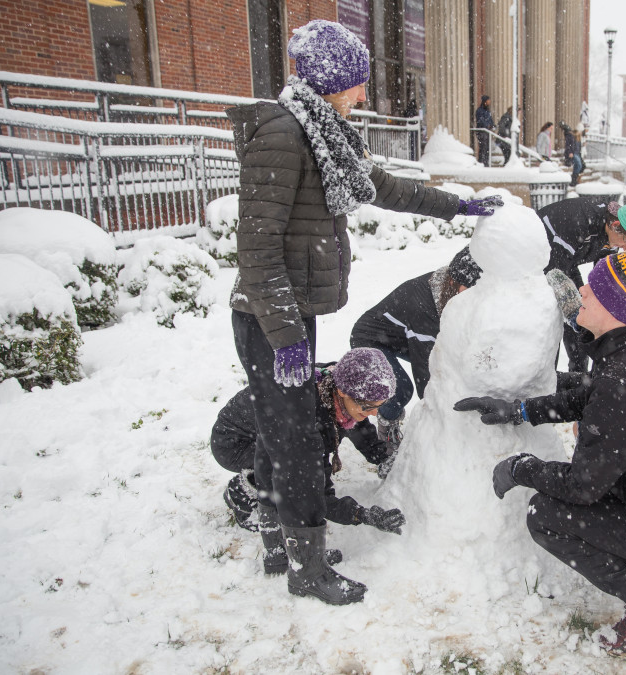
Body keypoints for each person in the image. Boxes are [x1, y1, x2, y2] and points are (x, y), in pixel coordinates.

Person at [224, 19, 502, 605]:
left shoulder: (324, 135)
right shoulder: (282, 134)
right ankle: (307, 568)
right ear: (329, 83)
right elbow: (257, 250)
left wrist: (459, 206)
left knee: (282, 433)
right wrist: (286, 338)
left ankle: (281, 544)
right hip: (270, 320)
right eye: (355, 85)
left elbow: (387, 188)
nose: (363, 97)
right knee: (297, 442)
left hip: (292, 314)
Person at [454, 237, 626, 660]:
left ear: (615, 309)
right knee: (599, 479)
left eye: (593, 290)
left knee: (545, 516)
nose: (581, 291)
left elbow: (583, 487)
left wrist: (521, 468)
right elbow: (589, 397)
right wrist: (519, 409)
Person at [213, 349, 407, 595]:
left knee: (296, 463)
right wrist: (363, 515)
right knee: (288, 476)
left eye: (380, 406)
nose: (374, 413)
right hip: (234, 442)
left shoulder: (334, 384)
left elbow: (359, 426)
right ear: (344, 392)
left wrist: (383, 458)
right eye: (369, 406)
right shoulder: (311, 419)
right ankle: (242, 492)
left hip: (267, 430)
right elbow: (318, 495)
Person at [349, 246, 483, 462]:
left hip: (401, 339)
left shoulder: (452, 292)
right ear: (453, 282)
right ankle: (387, 429)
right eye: (470, 289)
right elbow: (426, 375)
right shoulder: (425, 306)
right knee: (400, 389)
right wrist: (441, 422)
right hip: (370, 339)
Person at [536, 198, 626, 371]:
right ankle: (546, 379)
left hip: (567, 262)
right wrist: (574, 309)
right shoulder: (577, 222)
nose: (625, 249)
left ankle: (579, 376)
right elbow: (555, 273)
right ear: (615, 225)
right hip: (540, 262)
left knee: (583, 320)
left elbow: (605, 275)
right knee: (557, 317)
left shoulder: (614, 234)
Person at [561, 121, 585, 187]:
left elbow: (578, 147)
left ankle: (574, 180)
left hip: (577, 153)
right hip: (573, 153)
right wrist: (570, 152)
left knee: (579, 166)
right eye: (580, 131)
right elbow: (568, 145)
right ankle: (573, 179)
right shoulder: (571, 135)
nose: (581, 132)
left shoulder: (578, 138)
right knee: (579, 165)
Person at [475, 95, 495, 166]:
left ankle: (486, 162)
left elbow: (490, 120)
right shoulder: (479, 110)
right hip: (482, 132)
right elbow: (480, 120)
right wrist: (487, 125)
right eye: (488, 101)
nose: (489, 102)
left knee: (487, 148)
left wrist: (493, 125)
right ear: (484, 102)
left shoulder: (487, 111)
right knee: (483, 147)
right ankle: (481, 162)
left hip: (487, 132)